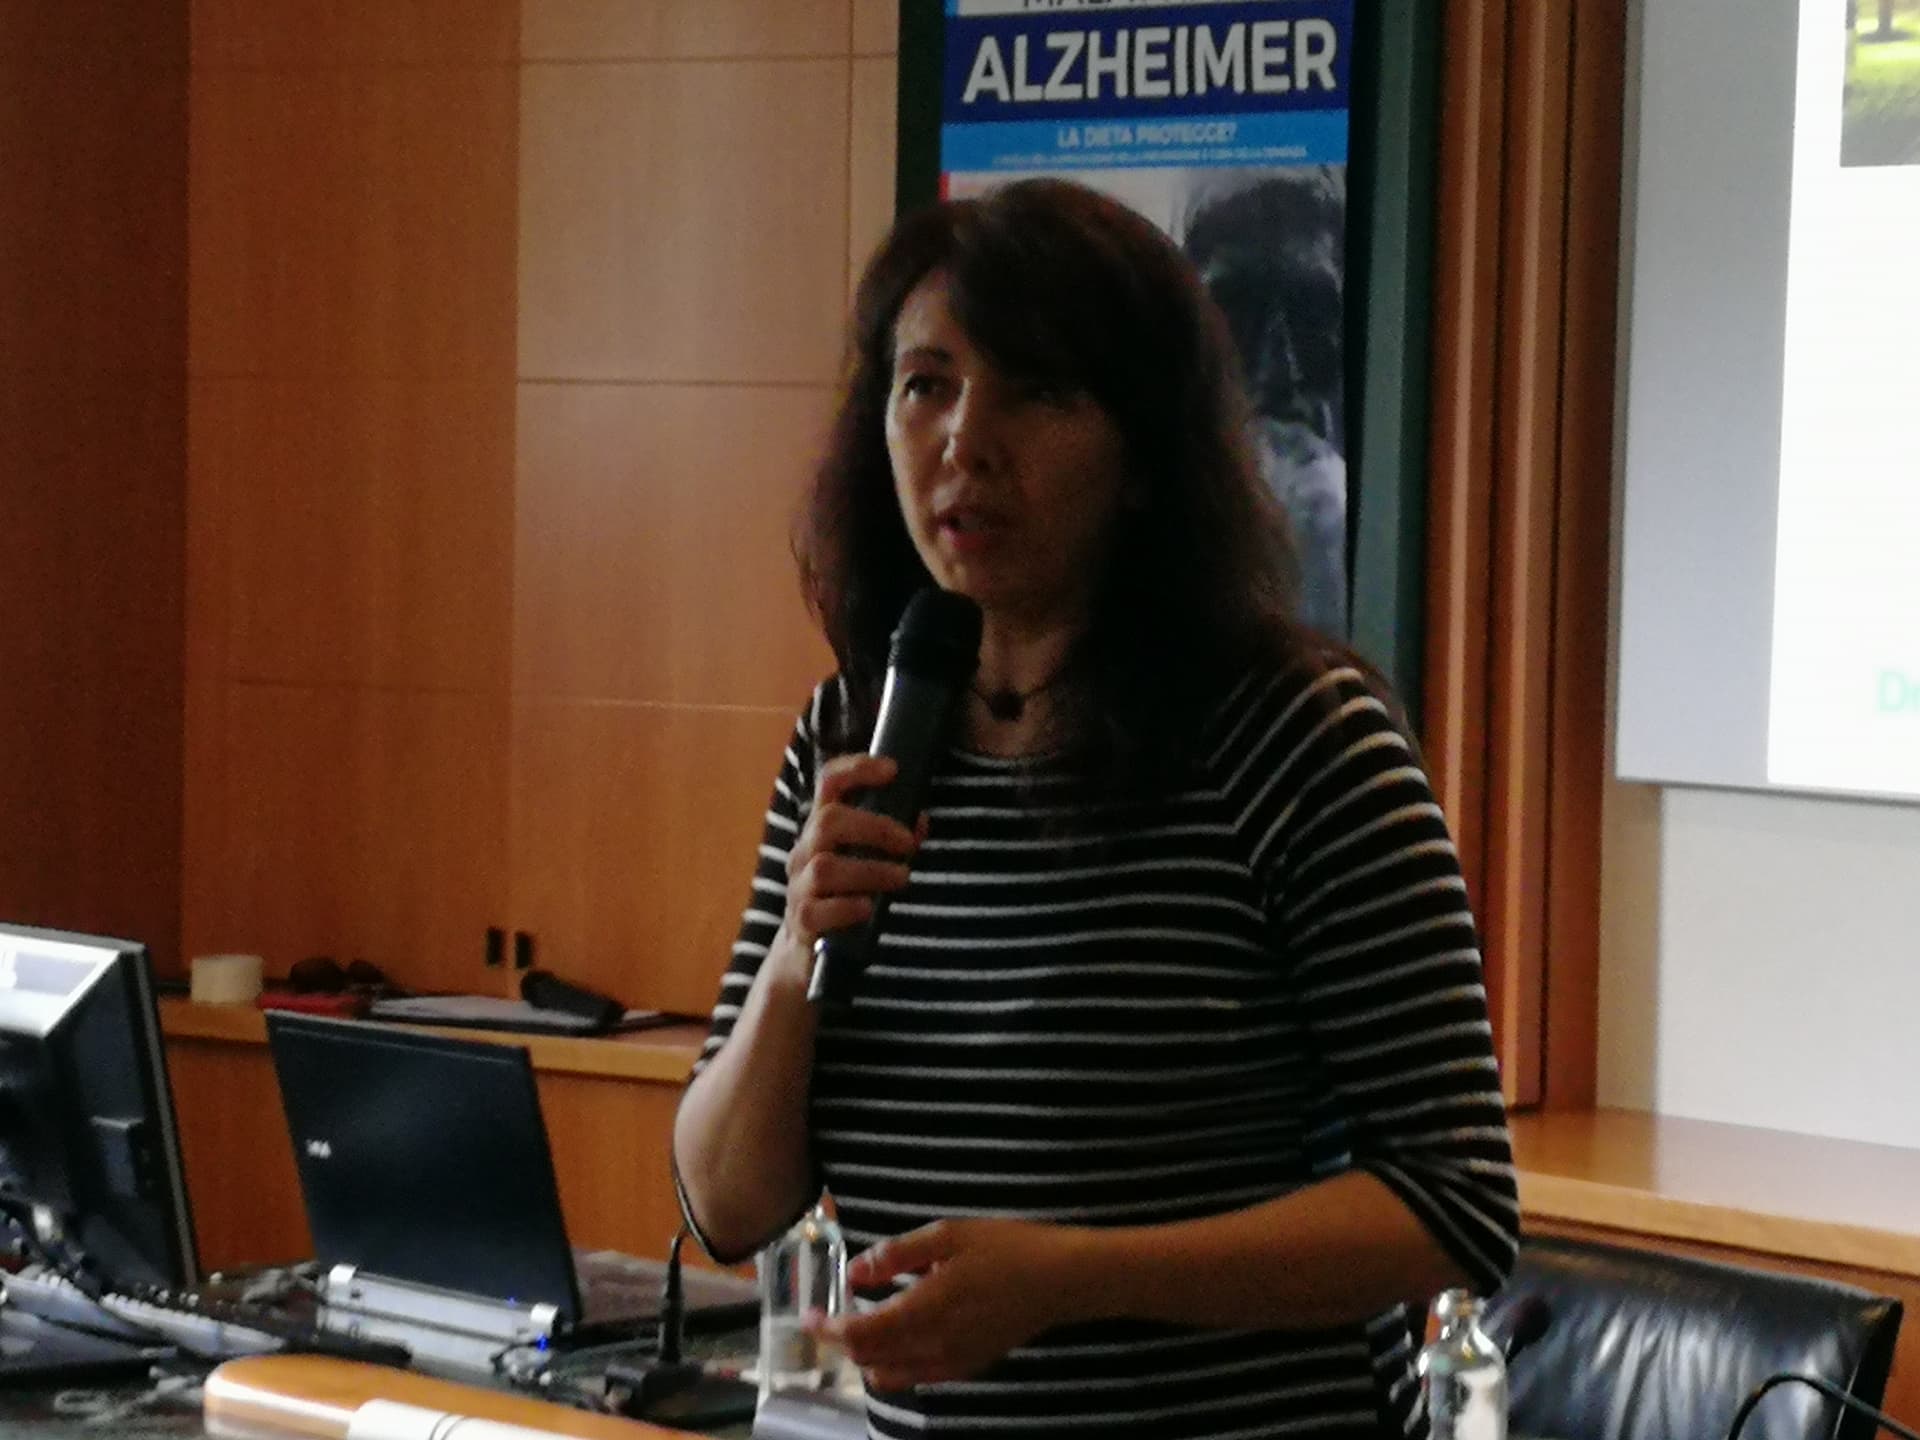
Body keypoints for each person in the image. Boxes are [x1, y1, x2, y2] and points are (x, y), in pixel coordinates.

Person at [672, 178, 1519, 1439]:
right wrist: (798, 952)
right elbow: (727, 1206)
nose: (965, 441)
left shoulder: (1297, 737)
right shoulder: (852, 733)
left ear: (1143, 459)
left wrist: (1075, 1279)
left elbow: (1456, 1206)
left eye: (1036, 393)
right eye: (926, 385)